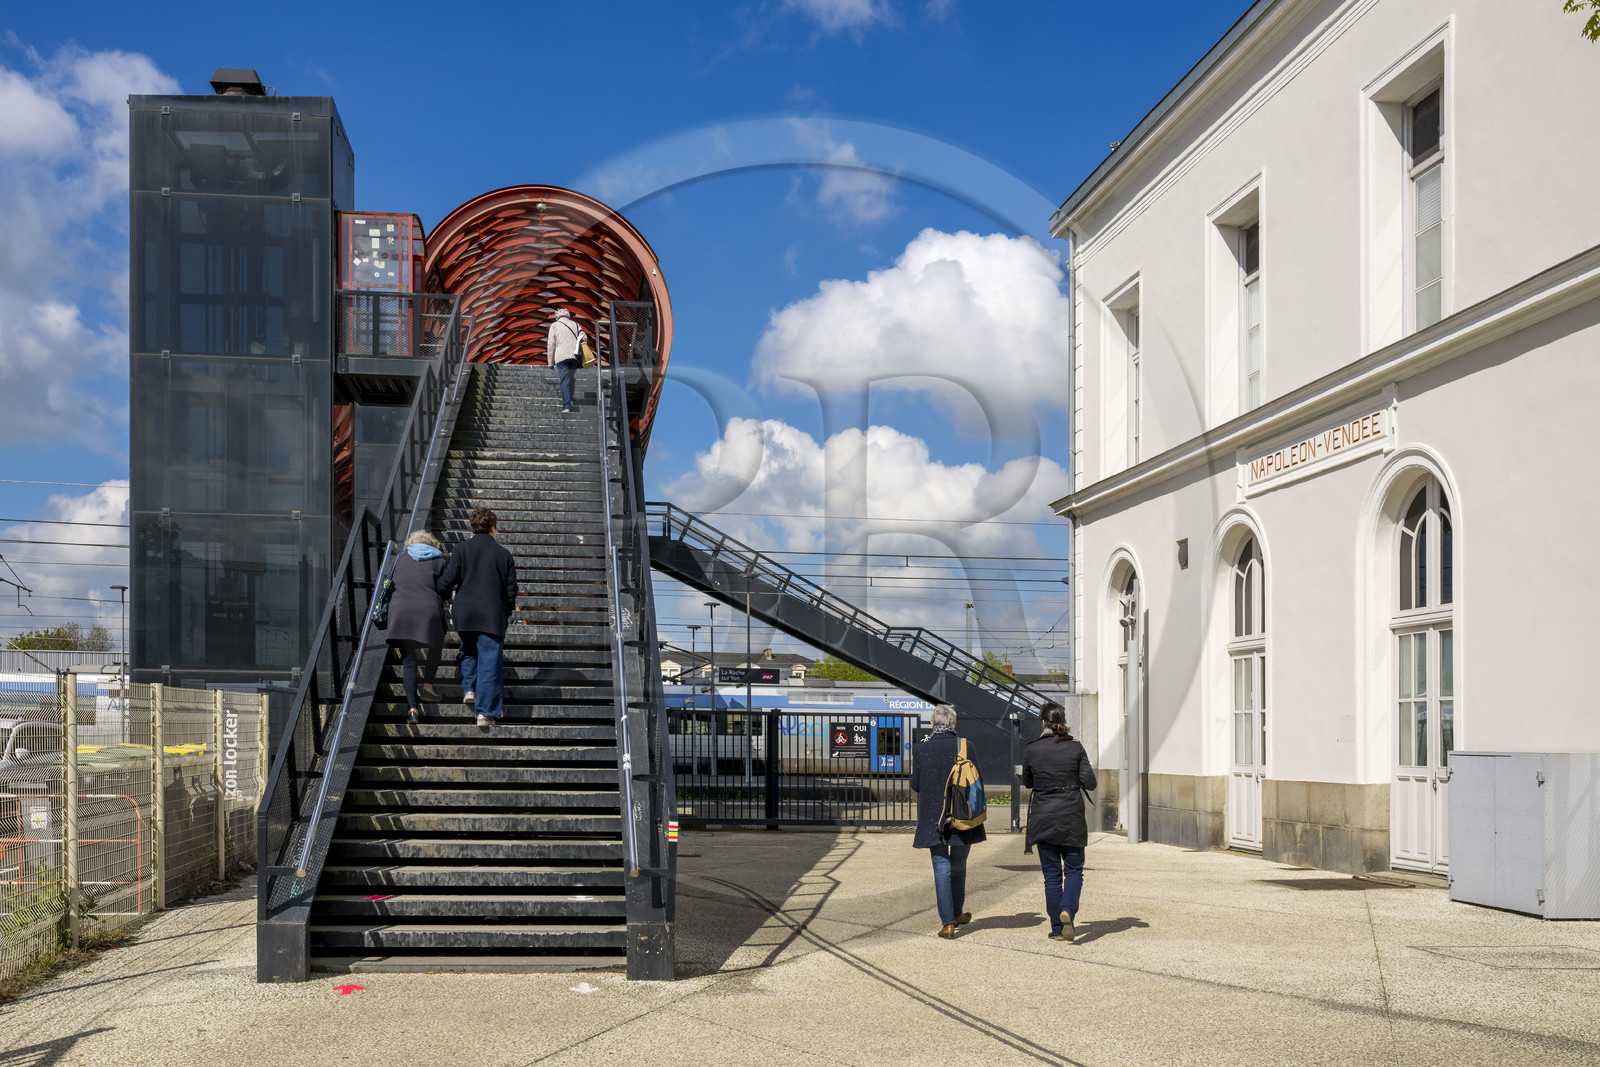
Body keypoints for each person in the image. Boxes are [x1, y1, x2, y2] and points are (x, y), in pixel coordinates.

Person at [1022, 701, 1098, 942]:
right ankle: (1068, 909)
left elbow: (1028, 782)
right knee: (1074, 870)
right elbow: (1090, 783)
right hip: (1071, 817)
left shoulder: (1032, 749)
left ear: (1043, 722)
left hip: (1044, 816)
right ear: (1062, 722)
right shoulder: (1075, 748)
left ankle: (1057, 928)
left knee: (1052, 876)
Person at [436, 507, 519, 727]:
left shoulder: (461, 549)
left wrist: (438, 594)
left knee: (468, 648)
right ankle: (484, 712)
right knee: (490, 661)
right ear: (493, 527)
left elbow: (447, 581)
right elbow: (511, 591)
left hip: (464, 613)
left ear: (473, 527)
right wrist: (506, 611)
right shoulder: (503, 554)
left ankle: (470, 687)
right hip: (491, 614)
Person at [910, 704, 987, 938]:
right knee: (959, 868)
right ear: (954, 724)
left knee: (941, 870)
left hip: (935, 819)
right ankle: (956, 913)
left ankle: (948, 924)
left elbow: (916, 785)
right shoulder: (965, 746)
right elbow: (978, 780)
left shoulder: (921, 750)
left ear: (932, 724)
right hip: (963, 815)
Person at [385, 530, 449, 725]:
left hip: (401, 613)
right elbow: (444, 588)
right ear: (432, 545)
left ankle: (412, 709)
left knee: (409, 662)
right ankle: (428, 685)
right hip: (428, 611)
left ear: (410, 544)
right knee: (436, 644)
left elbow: (388, 580)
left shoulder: (398, 558)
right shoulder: (440, 561)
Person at [546, 307, 585, 414]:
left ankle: (566, 405)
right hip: (574, 357)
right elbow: (584, 337)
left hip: (561, 357)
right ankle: (570, 399)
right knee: (571, 378)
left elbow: (551, 344)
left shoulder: (554, 325)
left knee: (564, 379)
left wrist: (550, 362)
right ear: (568, 315)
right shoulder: (575, 324)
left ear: (557, 316)